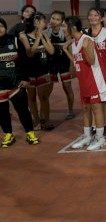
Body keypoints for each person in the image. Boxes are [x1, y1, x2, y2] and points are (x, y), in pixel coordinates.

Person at [63, 16, 106, 151]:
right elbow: (77, 62)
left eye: (64, 26)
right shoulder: (73, 43)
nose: (63, 29)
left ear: (72, 27)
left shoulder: (87, 40)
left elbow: (90, 60)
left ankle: (100, 138)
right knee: (85, 109)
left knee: (96, 108)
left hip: (95, 79)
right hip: (84, 80)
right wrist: (66, 51)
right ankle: (87, 136)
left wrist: (85, 49)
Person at [0, 17, 40, 147]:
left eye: (1, 26)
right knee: (2, 112)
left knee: (22, 110)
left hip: (16, 84)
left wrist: (25, 79)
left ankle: (30, 133)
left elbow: (25, 61)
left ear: (5, 27)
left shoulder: (15, 40)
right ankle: (8, 134)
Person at [19, 13, 55, 131]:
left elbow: (51, 51)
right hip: (29, 72)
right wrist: (38, 38)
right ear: (36, 23)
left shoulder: (44, 34)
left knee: (44, 97)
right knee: (32, 98)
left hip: (43, 71)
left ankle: (47, 119)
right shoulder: (23, 36)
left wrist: (43, 37)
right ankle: (36, 120)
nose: (45, 23)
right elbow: (30, 53)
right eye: (43, 21)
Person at [87, 7, 106, 138]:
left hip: (105, 71)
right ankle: (95, 124)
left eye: (95, 15)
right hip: (91, 72)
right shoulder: (86, 34)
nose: (93, 17)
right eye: (90, 15)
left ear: (100, 18)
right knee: (93, 100)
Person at [47, 11, 76, 120]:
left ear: (62, 21)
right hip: (51, 64)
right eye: (53, 18)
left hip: (64, 63)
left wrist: (72, 64)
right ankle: (46, 111)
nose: (54, 21)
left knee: (67, 87)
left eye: (58, 19)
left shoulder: (65, 32)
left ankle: (70, 110)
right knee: (47, 89)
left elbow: (70, 48)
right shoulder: (46, 31)